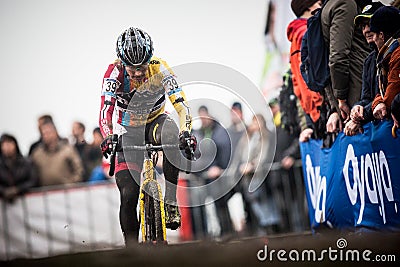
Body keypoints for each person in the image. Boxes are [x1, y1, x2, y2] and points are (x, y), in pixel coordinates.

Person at [99, 27, 196, 244]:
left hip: (155, 123)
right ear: (122, 63)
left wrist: (186, 132)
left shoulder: (160, 68)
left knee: (171, 131)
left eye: (142, 68)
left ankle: (171, 201)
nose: (138, 74)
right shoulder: (113, 73)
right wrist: (107, 135)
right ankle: (131, 250)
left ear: (150, 60)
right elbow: (105, 111)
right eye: (132, 71)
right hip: (128, 132)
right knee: (128, 194)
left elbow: (181, 105)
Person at [321, 0, 371, 133]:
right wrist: (341, 98)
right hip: (355, 93)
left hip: (352, 94)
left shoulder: (331, 5)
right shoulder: (345, 3)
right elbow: (338, 58)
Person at [190, 105, 233, 239]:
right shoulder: (200, 132)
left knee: (221, 205)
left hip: (217, 176)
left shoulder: (218, 131)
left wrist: (219, 167)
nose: (203, 119)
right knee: (202, 207)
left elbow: (223, 150)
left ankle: (227, 231)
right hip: (204, 176)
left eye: (204, 116)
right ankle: (205, 235)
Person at [344, 1, 385, 136]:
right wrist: (357, 108)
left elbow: (388, 98)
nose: (366, 30)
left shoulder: (395, 53)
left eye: (369, 24)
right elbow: (366, 97)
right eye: (362, 26)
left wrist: (360, 117)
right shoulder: (369, 61)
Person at [287, 0, 324, 140]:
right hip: (319, 107)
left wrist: (307, 121)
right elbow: (312, 73)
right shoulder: (306, 32)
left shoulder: (295, 35)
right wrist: (319, 103)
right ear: (309, 6)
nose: (321, 6)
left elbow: (297, 83)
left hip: (311, 110)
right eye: (318, 3)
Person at [30, 121, 84, 186]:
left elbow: (79, 170)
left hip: (67, 192)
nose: (46, 136)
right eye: (43, 133)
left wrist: (72, 184)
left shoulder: (67, 150)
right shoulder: (37, 154)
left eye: (48, 133)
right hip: (44, 193)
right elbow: (32, 175)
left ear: (55, 133)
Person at [370, 6, 400, 121]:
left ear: (381, 35)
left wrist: (378, 102)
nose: (373, 40)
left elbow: (390, 97)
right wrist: (378, 101)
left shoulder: (397, 55)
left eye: (374, 35)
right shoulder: (390, 55)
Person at [0, 134, 37, 203]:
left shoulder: (27, 163)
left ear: (15, 145)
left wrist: (18, 189)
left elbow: (33, 180)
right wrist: (4, 191)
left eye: (9, 143)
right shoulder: (1, 165)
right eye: (4, 145)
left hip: (27, 201)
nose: (7, 147)